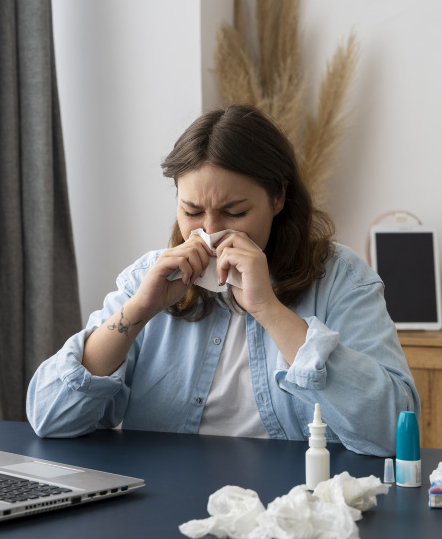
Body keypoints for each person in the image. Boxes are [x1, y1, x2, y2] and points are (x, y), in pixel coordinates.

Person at [27, 104, 419, 456]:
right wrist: (139, 310)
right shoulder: (149, 277)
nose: (210, 232)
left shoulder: (341, 279)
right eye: (192, 211)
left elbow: (392, 431)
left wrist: (268, 308)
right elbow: (50, 417)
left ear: (278, 198)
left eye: (234, 212)